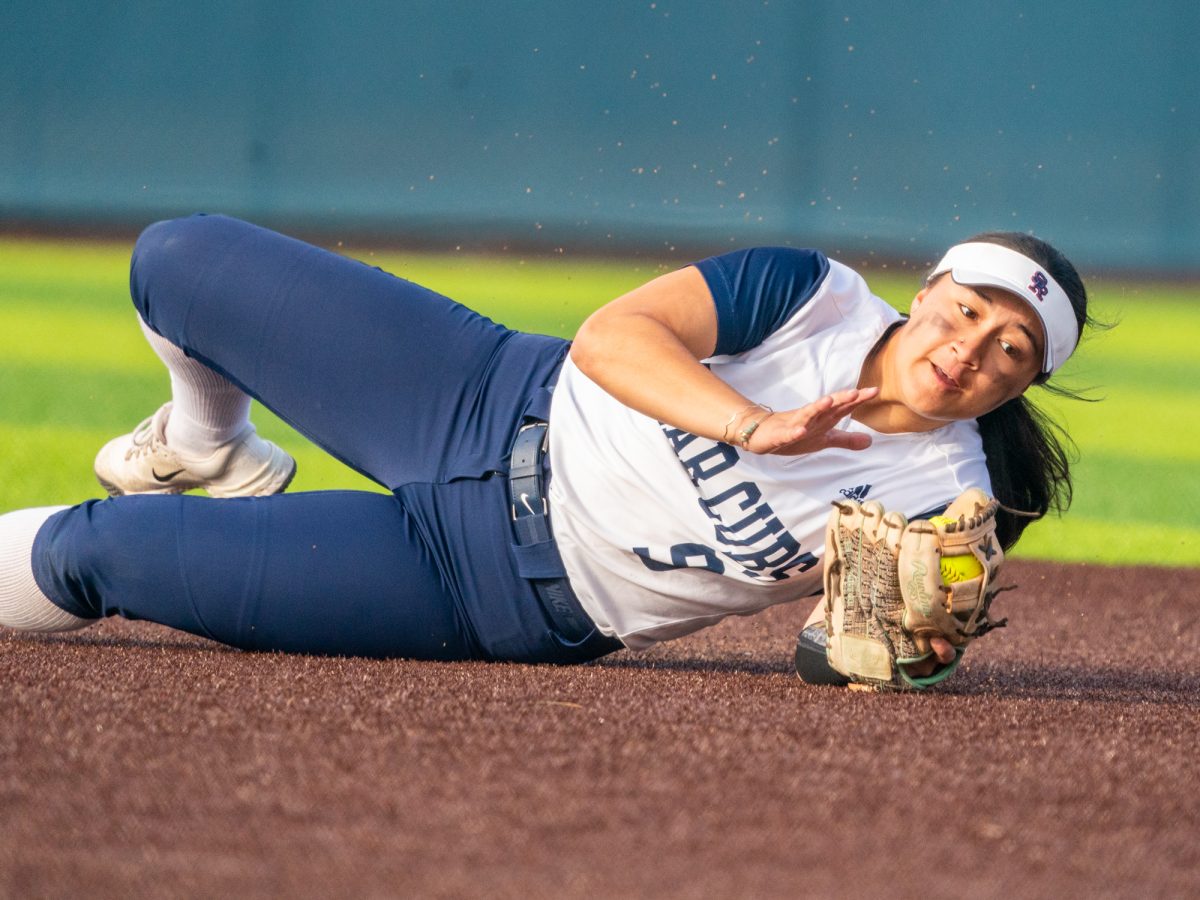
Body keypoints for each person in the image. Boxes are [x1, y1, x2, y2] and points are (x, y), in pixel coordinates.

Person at [0, 214, 1094, 680]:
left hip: (496, 591)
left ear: (1021, 383)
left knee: (102, 553)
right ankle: (206, 441)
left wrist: (874, 651)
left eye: (1009, 350)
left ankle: (179, 486)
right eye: (968, 312)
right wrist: (752, 426)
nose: (971, 351)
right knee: (177, 259)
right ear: (929, 290)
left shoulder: (943, 504)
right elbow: (615, 335)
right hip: (478, 390)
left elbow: (834, 657)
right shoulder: (811, 298)